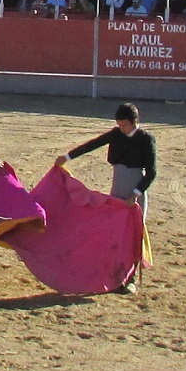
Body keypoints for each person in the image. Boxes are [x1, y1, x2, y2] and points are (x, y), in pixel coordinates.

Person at [56, 102, 156, 294]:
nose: (122, 128)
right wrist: (67, 157)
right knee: (116, 233)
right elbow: (93, 144)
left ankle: (131, 279)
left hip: (135, 190)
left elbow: (151, 172)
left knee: (134, 234)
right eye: (119, 125)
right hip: (117, 189)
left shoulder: (146, 139)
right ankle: (116, 277)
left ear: (135, 122)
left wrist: (135, 195)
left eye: (125, 125)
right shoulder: (116, 134)